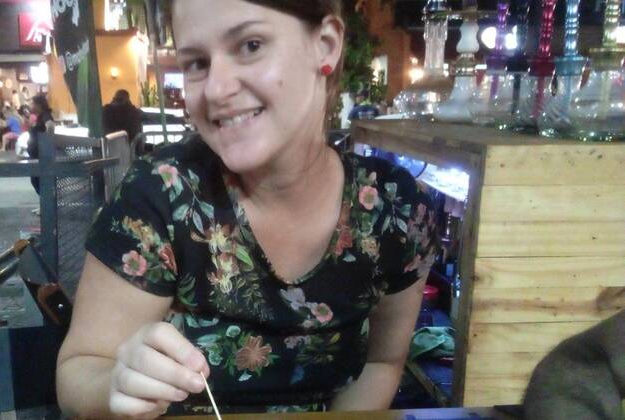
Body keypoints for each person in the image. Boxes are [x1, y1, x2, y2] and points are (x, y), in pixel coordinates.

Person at [56, 1, 438, 418]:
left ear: (326, 45)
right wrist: (116, 384)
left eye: (250, 45)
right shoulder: (159, 195)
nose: (216, 90)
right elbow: (78, 372)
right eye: (197, 63)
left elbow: (382, 363)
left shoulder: (395, 211)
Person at [27, 94, 54, 194]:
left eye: (32, 103)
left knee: (38, 181)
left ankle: (46, 202)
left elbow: (50, 126)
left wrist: (46, 144)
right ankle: (45, 201)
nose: (30, 106)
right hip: (36, 155)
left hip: (40, 156)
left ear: (38, 105)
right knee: (36, 180)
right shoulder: (40, 117)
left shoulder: (45, 115)